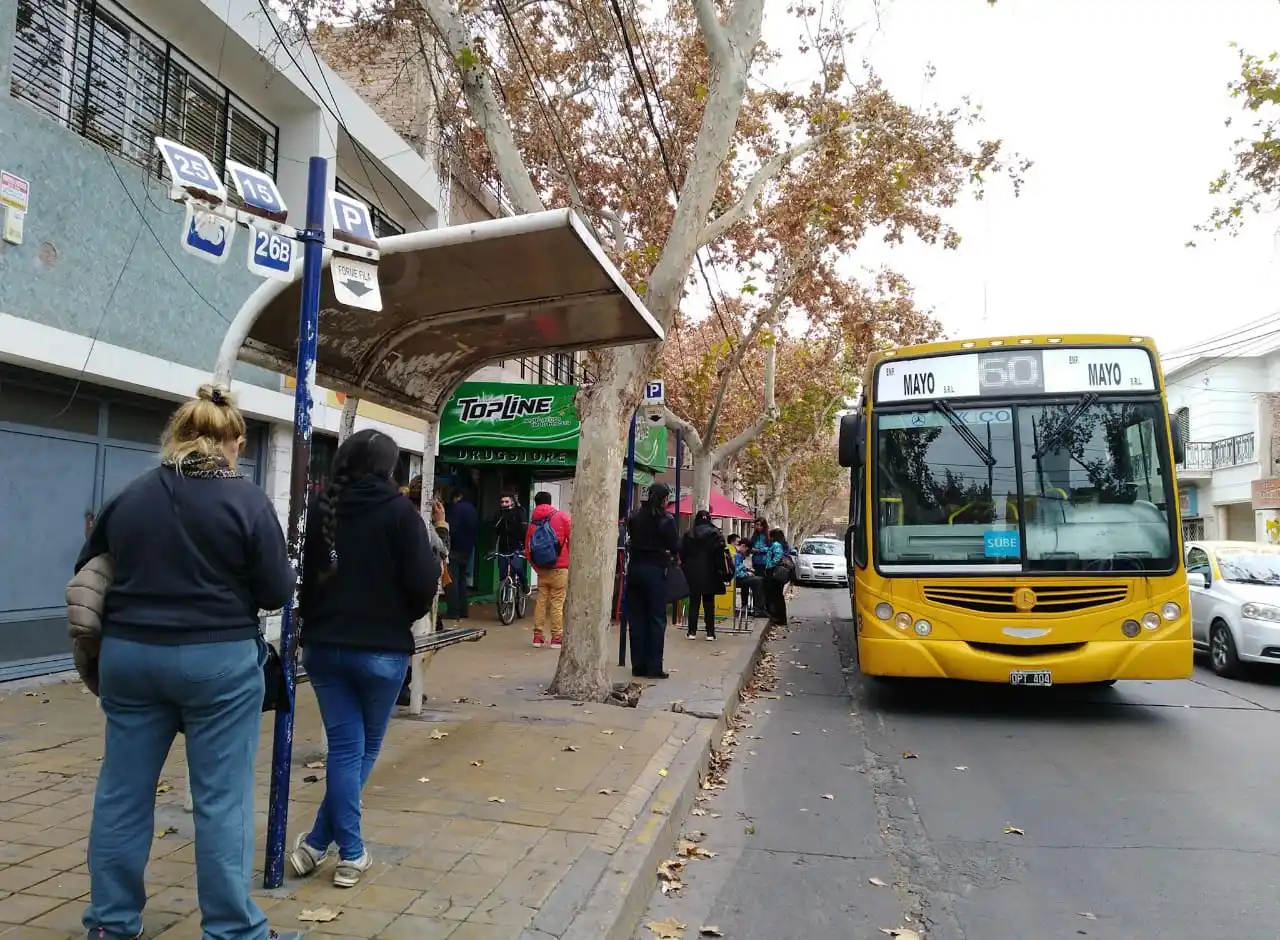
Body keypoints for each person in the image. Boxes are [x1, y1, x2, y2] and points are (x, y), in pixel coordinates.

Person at [75, 384, 297, 940]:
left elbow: (91, 567)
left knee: (123, 793)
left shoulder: (132, 495)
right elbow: (275, 590)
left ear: (176, 436)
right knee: (221, 799)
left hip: (130, 658)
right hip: (218, 663)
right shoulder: (246, 500)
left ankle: (110, 924)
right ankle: (232, 930)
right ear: (235, 444)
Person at [290, 429, 440, 888]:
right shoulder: (401, 513)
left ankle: (317, 843)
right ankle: (350, 853)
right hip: (381, 650)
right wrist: (396, 617)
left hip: (324, 648)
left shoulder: (319, 509)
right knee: (360, 750)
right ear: (390, 468)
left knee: (345, 748)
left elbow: (302, 576)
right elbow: (422, 584)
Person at [626, 484, 680, 678]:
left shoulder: (635, 517)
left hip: (635, 570)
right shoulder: (666, 520)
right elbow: (674, 545)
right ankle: (654, 666)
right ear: (665, 499)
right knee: (656, 619)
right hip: (655, 571)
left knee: (637, 618)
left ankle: (638, 665)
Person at [525, 491, 572, 648]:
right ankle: (556, 638)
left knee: (541, 601)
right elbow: (572, 541)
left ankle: (537, 637)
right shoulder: (563, 517)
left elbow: (528, 549)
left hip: (542, 569)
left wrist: (536, 567)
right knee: (557, 602)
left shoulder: (533, 521)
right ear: (550, 502)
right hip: (560, 567)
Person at [681, 509, 728, 641]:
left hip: (692, 571)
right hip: (710, 572)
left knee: (694, 602)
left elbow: (682, 553)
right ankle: (710, 633)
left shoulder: (688, 533)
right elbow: (720, 554)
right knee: (709, 602)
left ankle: (691, 632)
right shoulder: (715, 534)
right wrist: (722, 572)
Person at [445, 488, 479, 622]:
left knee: (452, 580)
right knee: (462, 580)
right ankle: (463, 610)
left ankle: (453, 611)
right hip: (468, 549)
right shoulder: (472, 509)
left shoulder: (457, 509)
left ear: (458, 496)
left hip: (455, 548)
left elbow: (452, 528)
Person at [494, 492, 529, 598]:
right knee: (503, 574)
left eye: (506, 501)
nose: (504, 504)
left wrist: (524, 546)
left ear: (512, 502)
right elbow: (495, 531)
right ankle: (504, 598)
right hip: (503, 547)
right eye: (502, 502)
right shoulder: (499, 515)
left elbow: (524, 530)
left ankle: (524, 584)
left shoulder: (520, 512)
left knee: (517, 567)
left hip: (517, 546)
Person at [763, 527, 791, 626]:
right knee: (778, 595)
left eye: (770, 536)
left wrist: (770, 567)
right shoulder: (783, 544)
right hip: (779, 573)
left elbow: (777, 557)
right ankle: (780, 617)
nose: (769, 538)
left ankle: (778, 617)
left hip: (774, 572)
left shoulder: (776, 545)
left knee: (775, 595)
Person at [733, 537, 763, 618]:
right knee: (758, 580)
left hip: (734, 578)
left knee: (752, 580)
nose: (747, 554)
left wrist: (746, 570)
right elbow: (737, 572)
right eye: (747, 551)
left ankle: (745, 605)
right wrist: (747, 574)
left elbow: (739, 568)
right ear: (743, 546)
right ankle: (758, 609)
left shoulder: (738, 554)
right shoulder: (738, 555)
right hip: (734, 579)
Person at [749, 518, 770, 616]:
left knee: (762, 585)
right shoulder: (755, 536)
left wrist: (759, 550)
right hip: (756, 562)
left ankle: (762, 607)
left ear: (764, 526)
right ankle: (756, 607)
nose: (758, 527)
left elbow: (769, 548)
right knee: (755, 585)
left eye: (760, 525)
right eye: (756, 525)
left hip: (764, 563)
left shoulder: (767, 536)